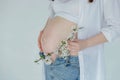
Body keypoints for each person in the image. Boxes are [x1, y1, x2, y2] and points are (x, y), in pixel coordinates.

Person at [37, 0, 120, 80]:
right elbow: (55, 13)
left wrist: (85, 43)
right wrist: (44, 31)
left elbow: (116, 27)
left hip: (68, 62)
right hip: (48, 59)